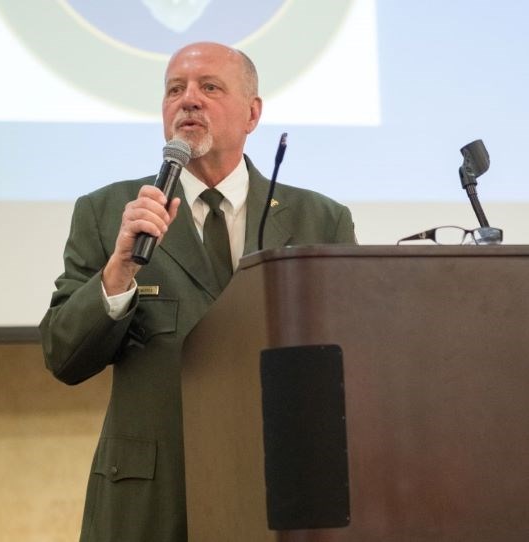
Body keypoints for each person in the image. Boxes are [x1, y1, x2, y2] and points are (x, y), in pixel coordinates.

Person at [40, 42, 356, 542]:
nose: (188, 100)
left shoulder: (320, 219)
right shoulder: (109, 212)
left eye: (209, 87)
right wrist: (118, 269)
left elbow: (346, 364)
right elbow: (64, 356)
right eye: (174, 90)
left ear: (252, 113)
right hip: (150, 501)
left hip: (278, 490)